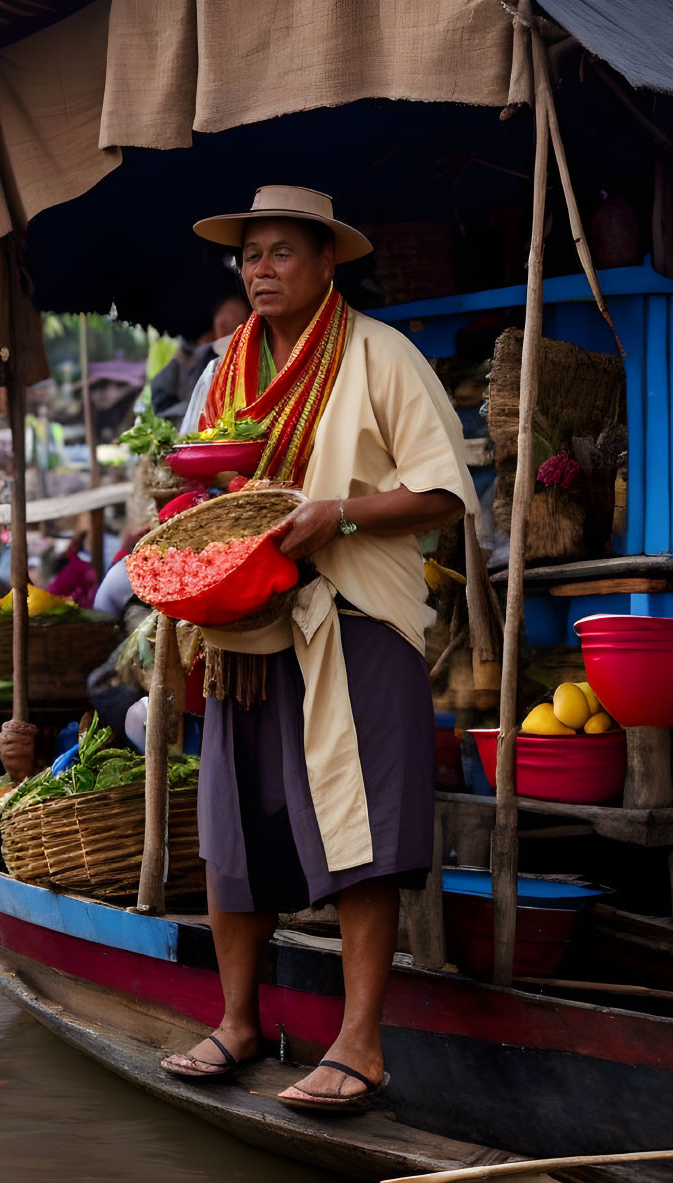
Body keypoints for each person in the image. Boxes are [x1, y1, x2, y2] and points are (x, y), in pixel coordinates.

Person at [154, 186, 473, 1112]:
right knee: (232, 832)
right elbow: (190, 481)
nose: (260, 269)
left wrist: (337, 513)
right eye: (249, 254)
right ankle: (240, 1021)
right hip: (243, 624)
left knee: (364, 829)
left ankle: (361, 1043)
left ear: (329, 262)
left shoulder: (382, 354)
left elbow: (443, 493)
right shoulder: (220, 371)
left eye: (282, 252)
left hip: (356, 617)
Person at [148, 293, 251, 423]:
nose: (226, 319)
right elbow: (160, 399)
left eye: (234, 314)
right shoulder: (195, 353)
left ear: (247, 322)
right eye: (222, 312)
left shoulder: (243, 361)